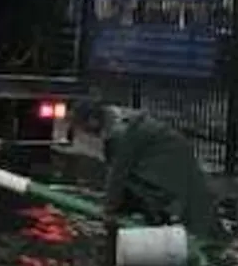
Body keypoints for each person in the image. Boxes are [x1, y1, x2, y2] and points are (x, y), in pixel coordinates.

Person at [69, 101, 222, 241]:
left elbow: (118, 174)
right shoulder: (119, 121)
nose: (84, 133)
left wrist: (108, 211)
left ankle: (159, 232)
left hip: (166, 163)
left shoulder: (120, 134)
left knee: (156, 196)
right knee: (187, 201)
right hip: (170, 156)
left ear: (92, 121)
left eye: (82, 127)